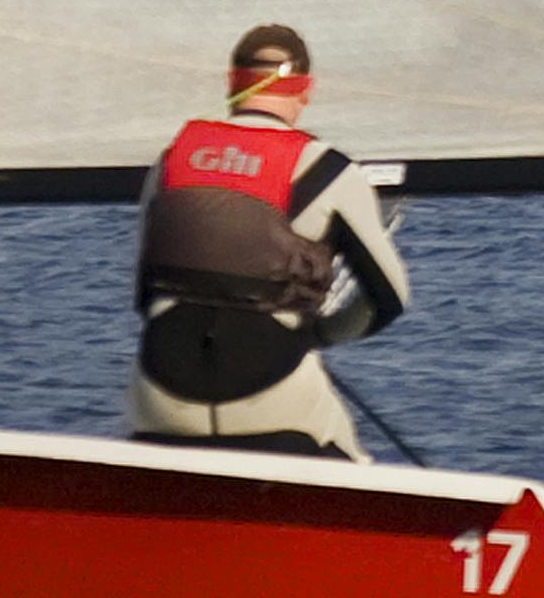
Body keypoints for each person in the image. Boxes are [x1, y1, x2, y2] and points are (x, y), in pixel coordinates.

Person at [133, 22, 411, 454]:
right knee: (351, 460)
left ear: (231, 83)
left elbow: (144, 295)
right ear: (307, 90)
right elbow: (390, 298)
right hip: (275, 397)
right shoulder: (331, 172)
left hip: (162, 393)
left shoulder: (170, 163)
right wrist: (319, 336)